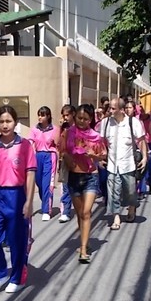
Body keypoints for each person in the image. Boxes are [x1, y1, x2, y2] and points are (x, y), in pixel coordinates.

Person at [0, 105, 36, 294]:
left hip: (16, 195)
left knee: (17, 240)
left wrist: (29, 202)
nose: (5, 125)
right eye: (1, 121)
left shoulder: (25, 145)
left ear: (15, 123)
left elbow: (30, 174)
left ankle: (17, 278)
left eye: (8, 121)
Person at [63, 103, 106, 263]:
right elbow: (62, 150)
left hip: (90, 176)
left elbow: (103, 155)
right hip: (74, 177)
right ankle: (84, 241)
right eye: (79, 118)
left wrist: (93, 155)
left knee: (87, 212)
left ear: (90, 120)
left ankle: (83, 250)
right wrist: (67, 158)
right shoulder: (69, 133)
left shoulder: (96, 136)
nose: (82, 121)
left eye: (85, 119)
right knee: (80, 213)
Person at [100, 98, 146, 230]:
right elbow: (101, 141)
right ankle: (116, 217)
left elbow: (141, 140)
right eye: (110, 108)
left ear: (121, 110)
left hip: (128, 164)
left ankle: (131, 208)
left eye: (113, 108)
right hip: (112, 165)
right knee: (113, 193)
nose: (110, 111)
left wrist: (144, 158)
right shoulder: (106, 123)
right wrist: (101, 157)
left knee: (130, 192)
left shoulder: (133, 122)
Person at [29, 106, 58, 221]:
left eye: (42, 115)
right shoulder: (34, 129)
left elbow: (58, 144)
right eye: (39, 115)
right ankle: (45, 201)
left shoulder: (54, 129)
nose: (40, 117)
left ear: (48, 116)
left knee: (47, 183)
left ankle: (46, 210)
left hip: (49, 156)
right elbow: (30, 142)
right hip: (38, 156)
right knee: (39, 183)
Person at [57, 104, 76, 223]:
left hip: (77, 160)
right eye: (63, 115)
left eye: (67, 115)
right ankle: (66, 212)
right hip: (64, 160)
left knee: (78, 187)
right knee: (65, 187)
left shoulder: (78, 127)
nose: (65, 118)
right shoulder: (64, 128)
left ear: (73, 114)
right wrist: (60, 128)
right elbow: (57, 142)